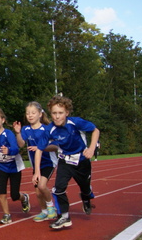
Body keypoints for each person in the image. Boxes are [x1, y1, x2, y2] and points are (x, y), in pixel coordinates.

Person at [33, 94, 100, 230]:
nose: (57, 116)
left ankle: (86, 198)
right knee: (57, 189)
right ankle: (64, 216)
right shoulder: (49, 129)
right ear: (50, 114)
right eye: (54, 113)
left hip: (81, 161)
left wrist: (91, 148)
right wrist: (37, 172)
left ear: (67, 113)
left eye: (60, 113)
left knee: (85, 188)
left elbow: (95, 130)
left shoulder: (75, 123)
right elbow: (39, 149)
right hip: (65, 161)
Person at [0, 108, 30, 224]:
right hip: (2, 168)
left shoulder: (8, 134)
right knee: (1, 192)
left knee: (14, 195)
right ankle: (6, 215)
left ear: (2, 120)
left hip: (14, 168)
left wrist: (9, 150)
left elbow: (16, 148)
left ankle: (24, 198)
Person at [13, 101, 58, 222]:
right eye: (28, 113)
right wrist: (18, 133)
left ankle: (51, 208)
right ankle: (43, 212)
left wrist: (40, 148)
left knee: (42, 186)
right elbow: (21, 144)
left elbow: (56, 146)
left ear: (40, 114)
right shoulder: (26, 129)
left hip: (48, 162)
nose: (30, 115)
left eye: (33, 113)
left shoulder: (46, 129)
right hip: (35, 164)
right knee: (38, 192)